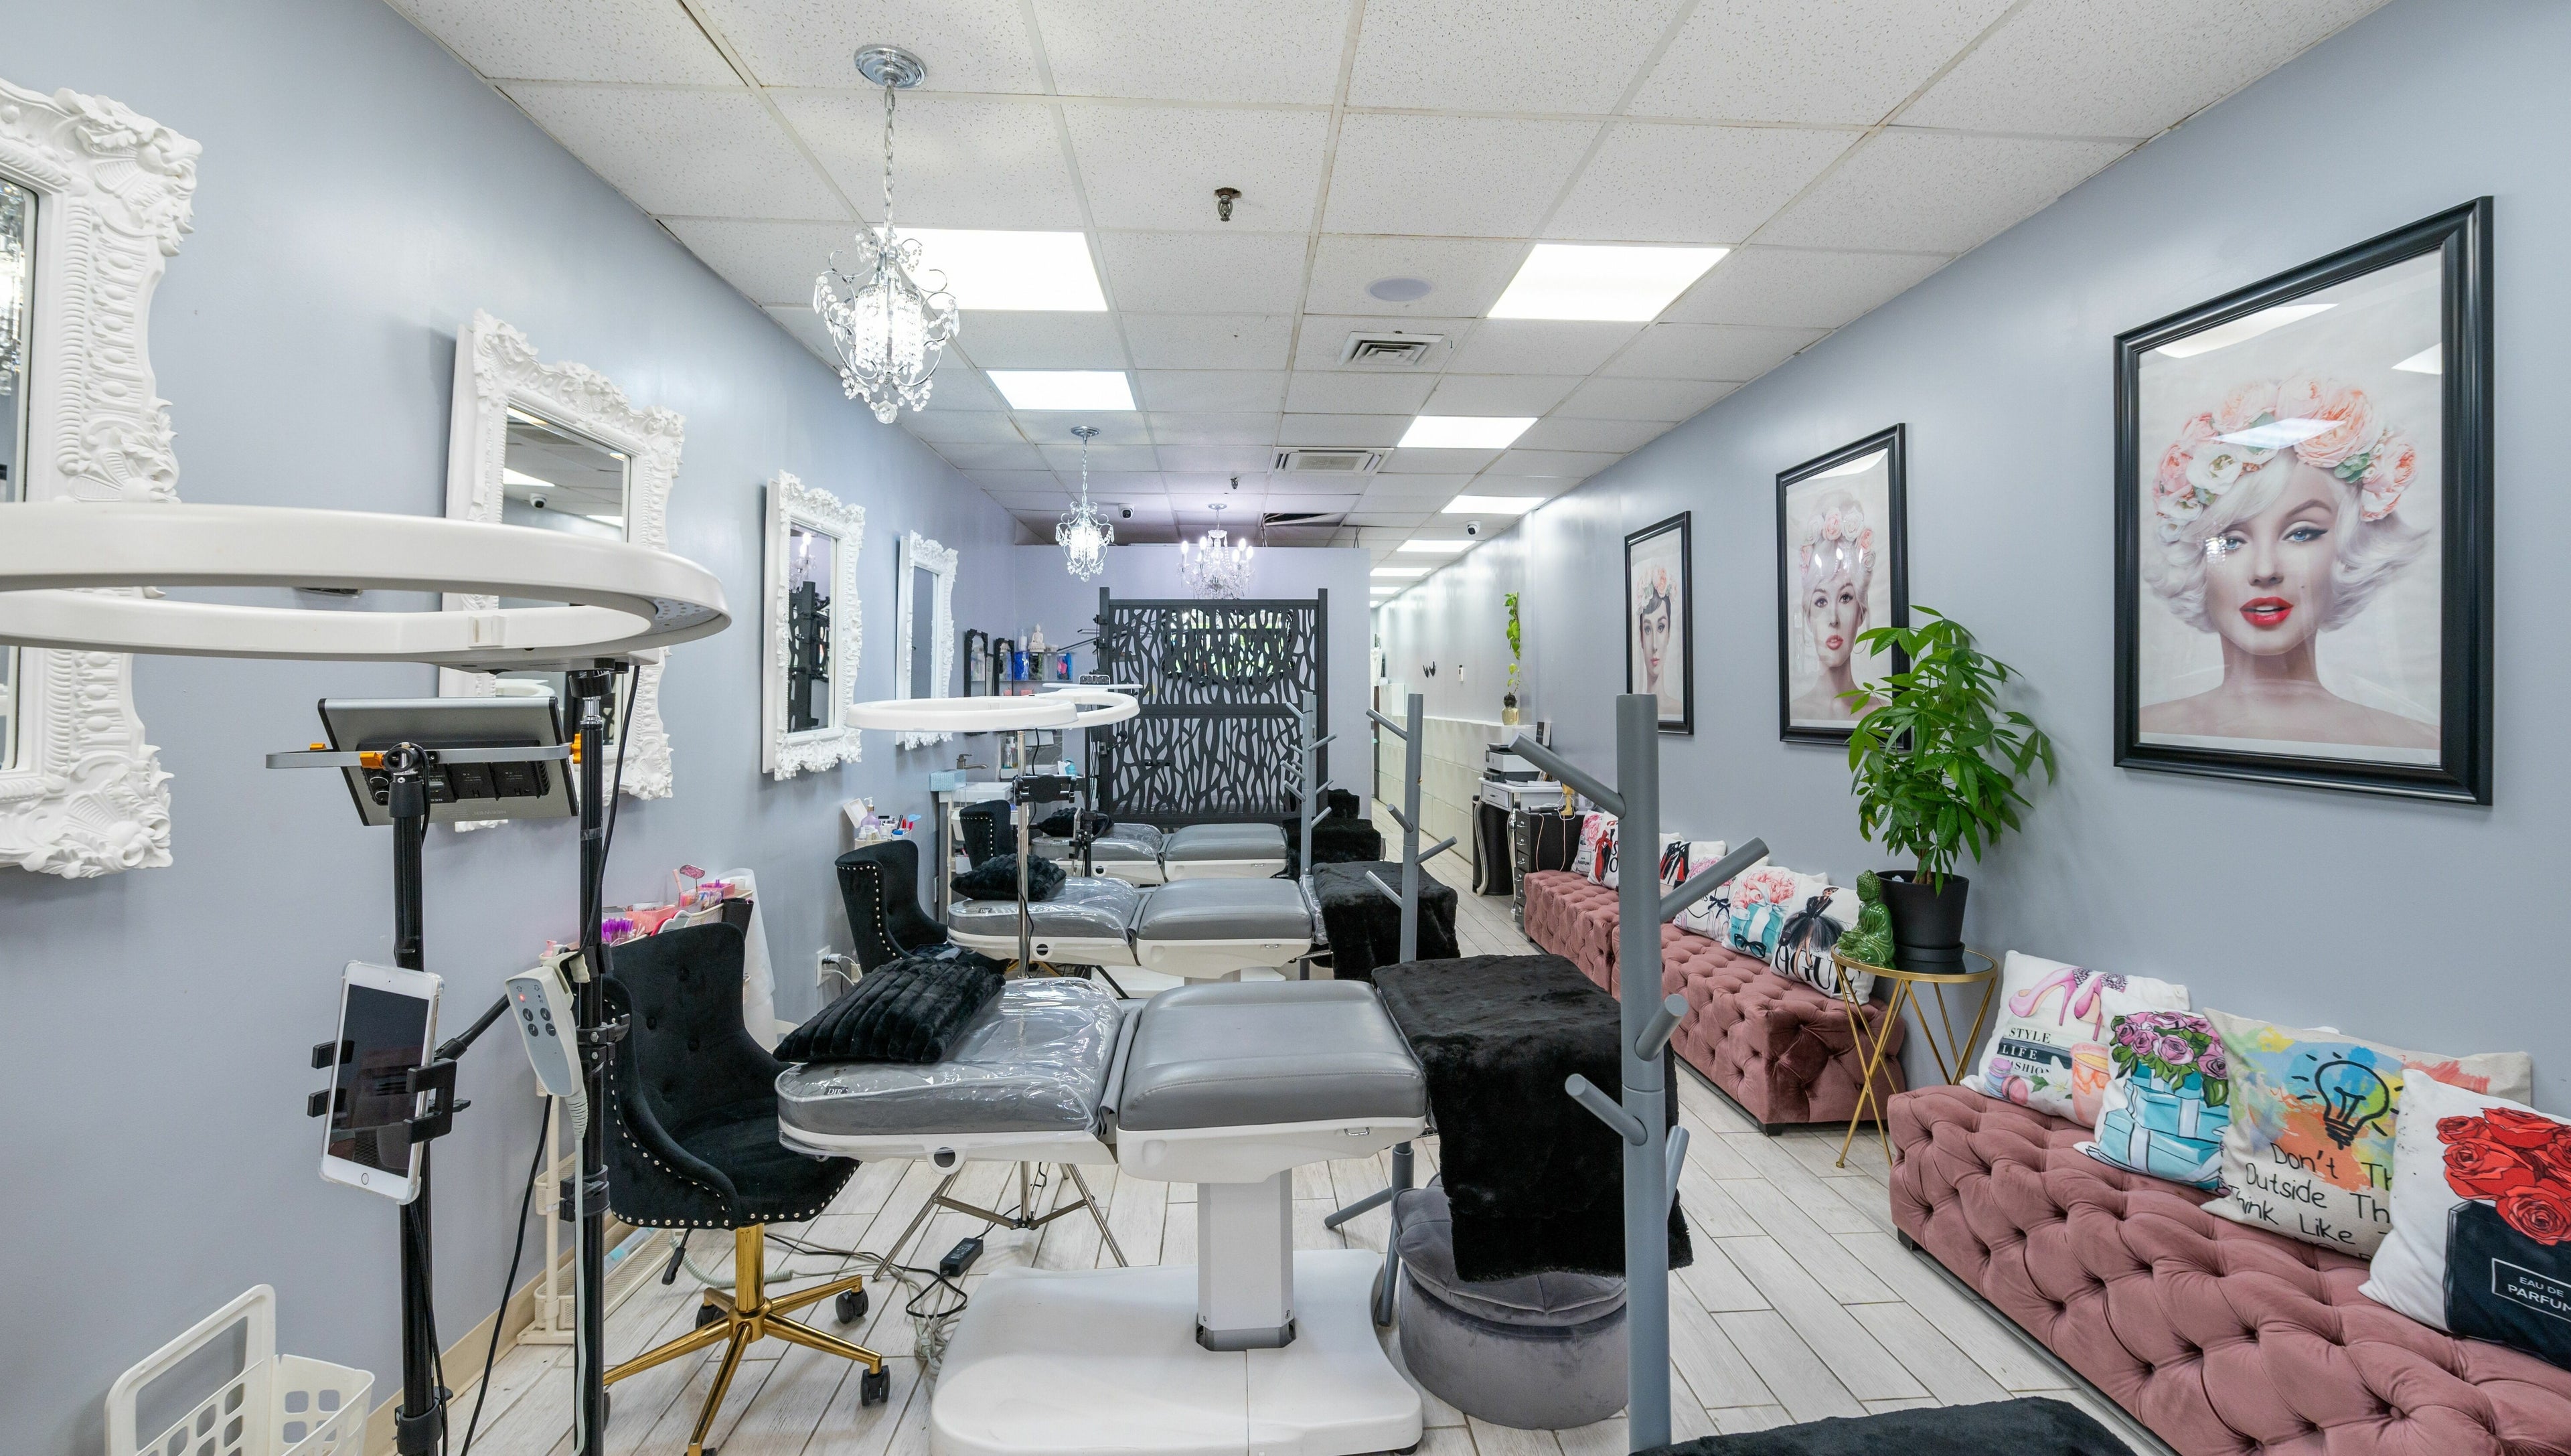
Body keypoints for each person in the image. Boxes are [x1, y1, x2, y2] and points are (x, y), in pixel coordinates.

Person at [2139, 376, 2430, 748]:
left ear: (2350, 548)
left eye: (2302, 534)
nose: (2265, 571)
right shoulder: (2146, 732)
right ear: (2196, 558)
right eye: (2230, 541)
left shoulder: (2416, 745)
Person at [1788, 489, 1885, 724]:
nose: (1833, 619)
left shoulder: (1884, 714)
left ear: (1862, 612)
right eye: (1821, 601)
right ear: (1808, 616)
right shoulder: (1793, 714)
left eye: (1845, 598)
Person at [1634, 560, 1675, 710]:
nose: (1654, 646)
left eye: (1661, 628)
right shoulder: (1634, 712)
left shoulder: (1678, 708)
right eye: (1647, 630)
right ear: (1641, 637)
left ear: (1669, 633)